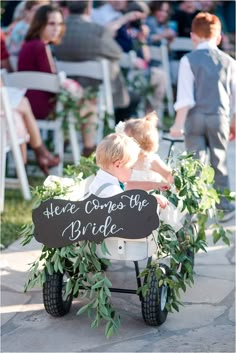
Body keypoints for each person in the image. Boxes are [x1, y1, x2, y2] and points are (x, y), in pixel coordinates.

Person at [170, 12, 236, 221]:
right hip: (220, 117)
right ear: (219, 38)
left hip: (195, 118)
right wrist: (233, 121)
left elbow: (185, 98)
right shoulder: (229, 61)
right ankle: (224, 207)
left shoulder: (187, 60)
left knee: (195, 162)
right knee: (220, 160)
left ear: (193, 36)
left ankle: (194, 205)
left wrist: (177, 125)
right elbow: (234, 97)